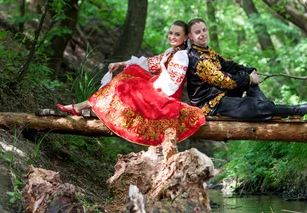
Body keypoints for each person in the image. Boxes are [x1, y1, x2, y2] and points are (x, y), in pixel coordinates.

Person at [57, 20, 206, 146]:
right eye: (171, 33)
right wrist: (121, 63)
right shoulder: (170, 51)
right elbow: (149, 63)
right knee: (131, 72)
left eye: (177, 34)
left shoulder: (181, 56)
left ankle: (84, 105)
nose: (172, 37)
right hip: (158, 87)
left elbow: (173, 84)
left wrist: (161, 69)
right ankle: (87, 105)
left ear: (186, 37)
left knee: (127, 82)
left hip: (165, 95)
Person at [185, 18, 307, 120]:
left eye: (204, 30)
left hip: (221, 95)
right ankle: (294, 110)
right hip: (210, 104)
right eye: (197, 32)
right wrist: (249, 78)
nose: (202, 34)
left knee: (245, 75)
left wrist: (249, 71)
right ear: (190, 36)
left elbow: (229, 65)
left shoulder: (208, 52)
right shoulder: (198, 59)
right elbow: (224, 81)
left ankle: (268, 108)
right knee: (250, 93)